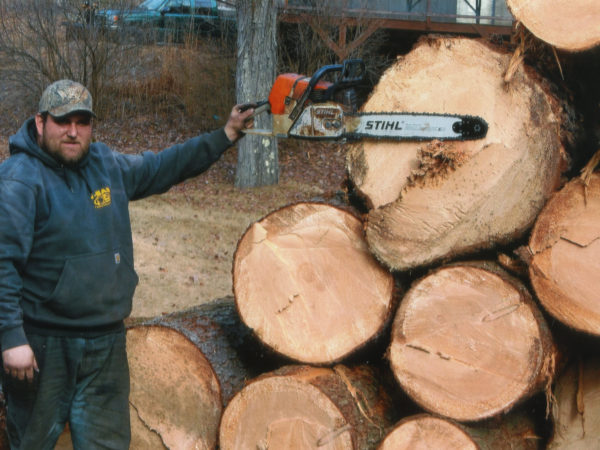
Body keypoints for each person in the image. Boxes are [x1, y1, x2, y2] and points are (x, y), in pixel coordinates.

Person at [0, 79, 253, 449]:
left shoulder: (106, 166)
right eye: (62, 121)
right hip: (44, 346)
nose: (73, 131)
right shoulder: (19, 180)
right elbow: (3, 261)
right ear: (40, 123)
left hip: (105, 344)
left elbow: (165, 166)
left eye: (82, 122)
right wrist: (11, 338)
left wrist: (226, 134)